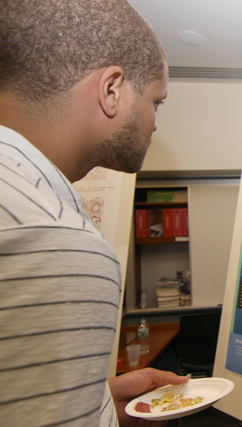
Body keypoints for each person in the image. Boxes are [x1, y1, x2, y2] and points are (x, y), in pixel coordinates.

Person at [0, 1, 187, 426]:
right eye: (156, 102)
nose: (155, 122)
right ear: (112, 90)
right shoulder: (55, 241)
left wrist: (99, 404)